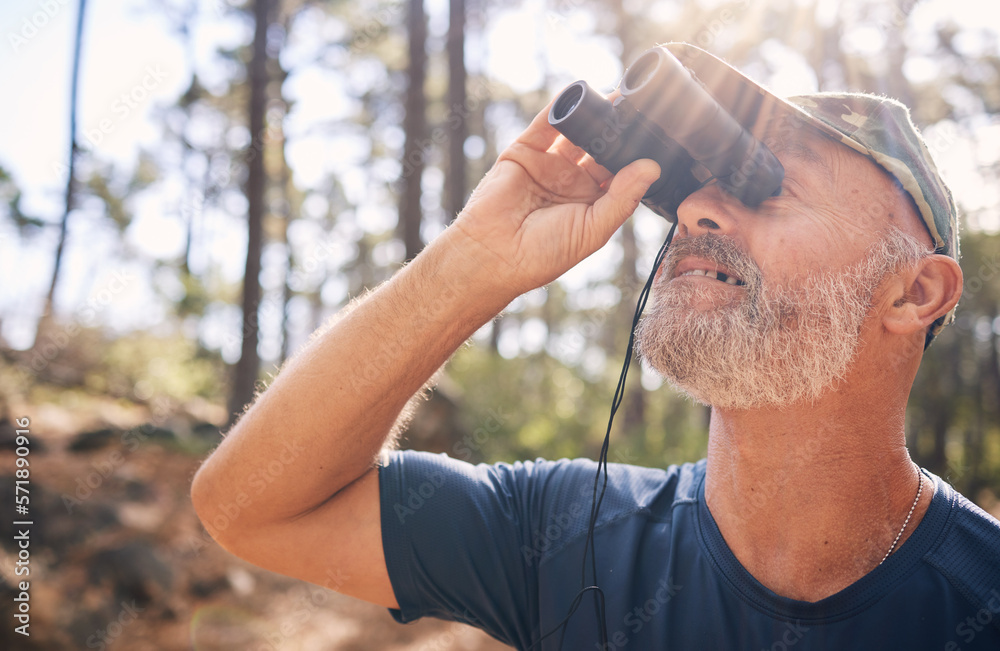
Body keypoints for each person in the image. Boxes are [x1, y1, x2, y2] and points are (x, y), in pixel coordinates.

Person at [191, 43, 1000, 649]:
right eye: (694, 190)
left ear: (914, 291)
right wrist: (471, 266)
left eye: (767, 185)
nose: (696, 214)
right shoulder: (565, 534)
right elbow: (252, 507)